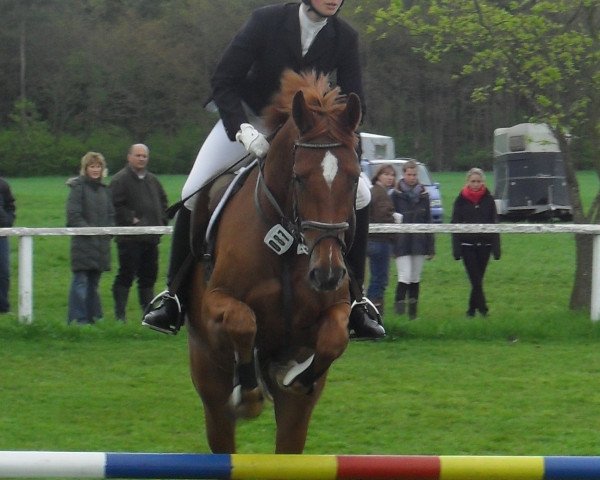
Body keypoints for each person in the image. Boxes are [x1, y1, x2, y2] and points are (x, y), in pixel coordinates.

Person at [142, 0, 385, 339]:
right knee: (192, 192)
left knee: (361, 194)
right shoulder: (266, 21)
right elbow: (223, 80)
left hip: (306, 129)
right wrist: (242, 129)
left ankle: (357, 301)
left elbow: (354, 96)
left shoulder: (344, 36)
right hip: (250, 118)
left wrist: (342, 138)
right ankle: (174, 296)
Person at [110, 144, 168, 322]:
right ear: (129, 157)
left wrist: (161, 222)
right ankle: (120, 316)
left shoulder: (152, 180)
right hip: (129, 239)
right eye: (138, 155)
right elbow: (114, 205)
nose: (141, 158)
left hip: (151, 239)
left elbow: (163, 202)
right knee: (126, 275)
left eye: (144, 156)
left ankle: (148, 315)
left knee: (148, 278)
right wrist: (131, 219)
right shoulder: (120, 180)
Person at [66, 152, 115, 324]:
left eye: (98, 166)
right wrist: (90, 232)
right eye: (92, 166)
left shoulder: (105, 190)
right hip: (83, 244)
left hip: (101, 245)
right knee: (80, 282)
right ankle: (78, 320)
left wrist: (108, 231)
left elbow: (111, 215)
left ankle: (93, 318)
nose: (95, 170)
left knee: (94, 284)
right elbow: (73, 215)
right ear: (85, 168)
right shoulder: (78, 187)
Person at [451, 167, 501, 317]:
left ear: (483, 182)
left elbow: (494, 223)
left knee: (478, 279)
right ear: (468, 182)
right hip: (467, 245)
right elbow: (455, 224)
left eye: (478, 181)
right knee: (476, 279)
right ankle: (483, 309)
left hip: (485, 245)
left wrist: (496, 248)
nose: (476, 184)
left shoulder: (489, 199)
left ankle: (471, 310)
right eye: (473, 181)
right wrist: (456, 249)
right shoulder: (460, 200)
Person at [391, 160, 434, 320]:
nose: (412, 177)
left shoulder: (424, 195)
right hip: (401, 242)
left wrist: (431, 247)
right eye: (409, 174)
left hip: (419, 241)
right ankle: (399, 311)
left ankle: (412, 314)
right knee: (405, 276)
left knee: (415, 277)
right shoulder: (395, 195)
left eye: (414, 174)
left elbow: (429, 220)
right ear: (404, 174)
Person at [366, 164, 399, 315]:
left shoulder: (374, 192)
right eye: (386, 174)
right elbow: (381, 216)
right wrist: (395, 219)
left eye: (392, 175)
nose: (390, 177)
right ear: (378, 175)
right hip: (380, 240)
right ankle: (373, 314)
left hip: (373, 240)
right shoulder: (380, 193)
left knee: (376, 277)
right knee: (379, 279)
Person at [0, 176, 16, 314]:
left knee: (3, 272)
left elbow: (10, 205)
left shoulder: (3, 185)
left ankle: (3, 308)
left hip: (1, 234)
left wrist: (7, 222)